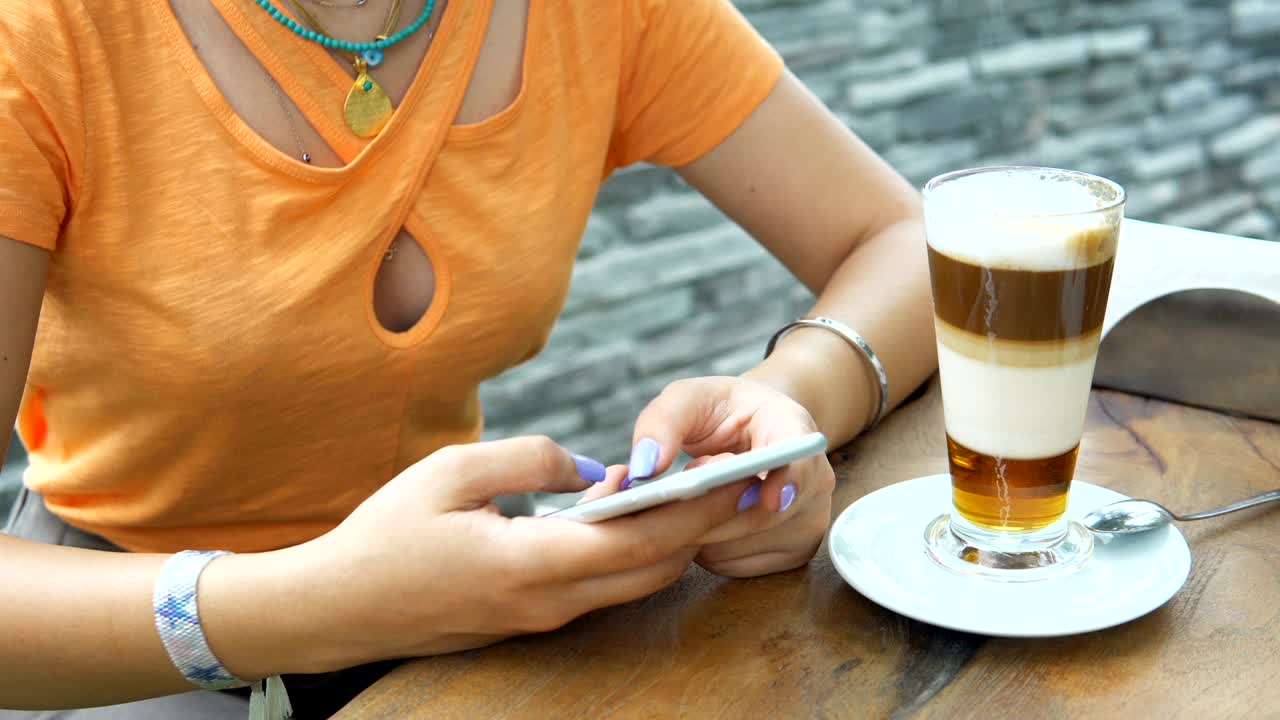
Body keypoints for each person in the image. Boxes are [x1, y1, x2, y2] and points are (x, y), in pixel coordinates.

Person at [0, 0, 936, 716]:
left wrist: (789, 405)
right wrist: (324, 606)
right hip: (112, 622)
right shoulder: (40, 35)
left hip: (464, 604)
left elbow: (910, 243)